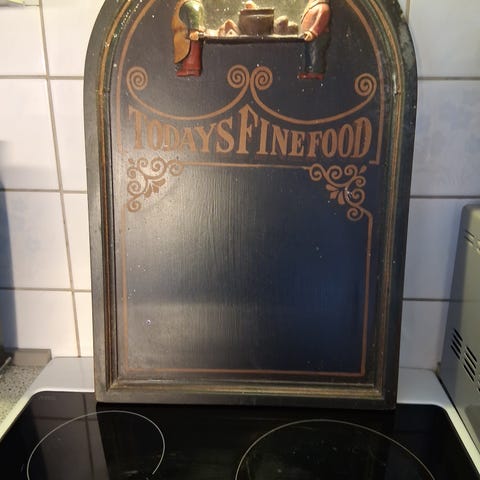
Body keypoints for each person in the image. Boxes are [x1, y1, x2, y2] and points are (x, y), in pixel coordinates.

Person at [171, 0, 206, 77]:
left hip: (188, 38)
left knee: (192, 51)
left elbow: (194, 21)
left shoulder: (191, 5)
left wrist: (194, 30)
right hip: (183, 36)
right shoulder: (185, 4)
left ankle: (191, 68)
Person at [299, 0, 331, 80]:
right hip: (307, 36)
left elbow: (320, 22)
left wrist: (313, 32)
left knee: (316, 53)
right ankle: (308, 70)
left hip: (318, 37)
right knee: (308, 53)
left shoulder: (323, 7)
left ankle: (316, 72)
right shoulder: (312, 5)